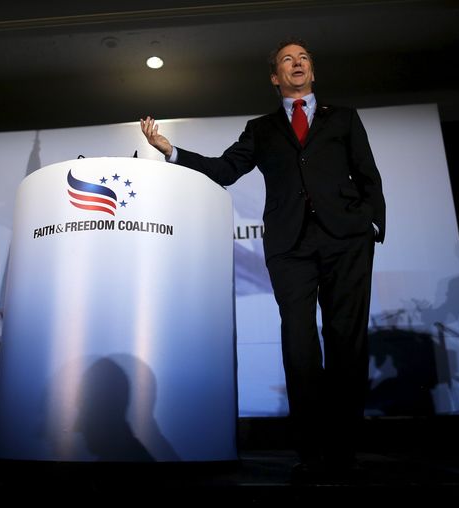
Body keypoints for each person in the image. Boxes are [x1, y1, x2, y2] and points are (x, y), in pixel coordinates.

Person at [140, 38, 385, 471]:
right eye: (288, 59)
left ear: (312, 71)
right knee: (299, 344)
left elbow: (368, 174)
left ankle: (344, 448)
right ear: (276, 77)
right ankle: (311, 449)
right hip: (290, 247)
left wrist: (371, 223)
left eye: (304, 57)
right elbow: (224, 170)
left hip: (346, 240)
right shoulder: (261, 129)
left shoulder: (343, 118)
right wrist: (171, 151)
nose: (297, 63)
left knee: (347, 341)